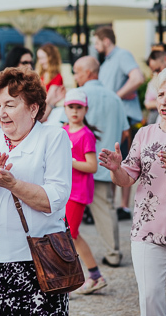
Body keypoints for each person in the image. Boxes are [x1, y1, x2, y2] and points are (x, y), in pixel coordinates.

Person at [0, 67, 72, 315]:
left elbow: (56, 198)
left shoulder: (54, 137)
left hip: (36, 260)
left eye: (10, 104)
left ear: (33, 108)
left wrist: (12, 184)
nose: (2, 113)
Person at [99, 66, 166, 316]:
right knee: (149, 300)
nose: (164, 101)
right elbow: (127, 179)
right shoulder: (145, 133)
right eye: (160, 95)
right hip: (147, 230)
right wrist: (116, 169)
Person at [70, 56, 128, 267]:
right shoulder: (114, 97)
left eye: (76, 71)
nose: (74, 75)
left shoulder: (79, 96)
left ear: (88, 72)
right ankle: (112, 253)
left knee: (75, 215)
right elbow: (125, 131)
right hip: (105, 165)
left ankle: (100, 258)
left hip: (80, 166)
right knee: (106, 208)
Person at [94, 26, 145, 221]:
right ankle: (118, 206)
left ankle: (123, 206)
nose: (95, 47)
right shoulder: (108, 61)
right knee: (115, 159)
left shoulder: (122, 55)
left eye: (97, 42)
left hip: (124, 117)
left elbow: (137, 78)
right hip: (114, 117)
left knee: (124, 160)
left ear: (106, 41)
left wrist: (117, 96)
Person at [61, 89, 107, 295]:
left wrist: (70, 162)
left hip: (78, 192)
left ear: (85, 109)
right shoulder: (62, 131)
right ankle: (94, 276)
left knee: (70, 235)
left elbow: (92, 166)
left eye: (79, 107)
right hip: (63, 190)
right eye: (71, 107)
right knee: (68, 235)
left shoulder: (86, 135)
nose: (74, 111)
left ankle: (84, 278)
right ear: (65, 108)